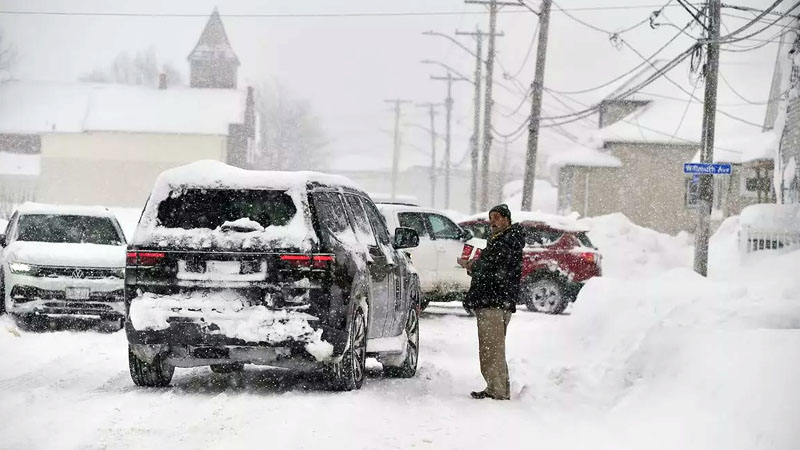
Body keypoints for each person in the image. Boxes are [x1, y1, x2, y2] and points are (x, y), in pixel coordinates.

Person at [457, 204, 524, 400]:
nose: (492, 222)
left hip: (495, 300)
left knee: (491, 348)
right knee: (492, 347)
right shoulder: (503, 239)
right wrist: (475, 267)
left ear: (506, 219)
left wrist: (473, 265)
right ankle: (497, 387)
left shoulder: (507, 241)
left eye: (496, 217)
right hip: (495, 299)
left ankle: (497, 390)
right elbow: (491, 265)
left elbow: (494, 265)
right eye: (490, 218)